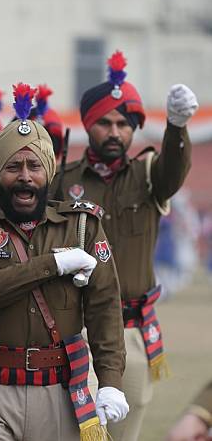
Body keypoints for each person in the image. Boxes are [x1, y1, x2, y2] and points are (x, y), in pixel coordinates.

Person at [0, 83, 128, 441]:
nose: (25, 176)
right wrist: (52, 265)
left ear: (48, 172)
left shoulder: (82, 226)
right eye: (13, 166)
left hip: (61, 392)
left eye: (34, 165)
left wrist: (109, 382)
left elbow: (104, 307)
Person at [50, 50, 198, 441]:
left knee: (123, 433)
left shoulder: (150, 176)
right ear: (87, 126)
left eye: (124, 123)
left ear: (133, 129)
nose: (115, 132)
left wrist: (177, 126)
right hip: (74, 330)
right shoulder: (63, 181)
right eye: (104, 123)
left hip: (131, 331)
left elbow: (174, 171)